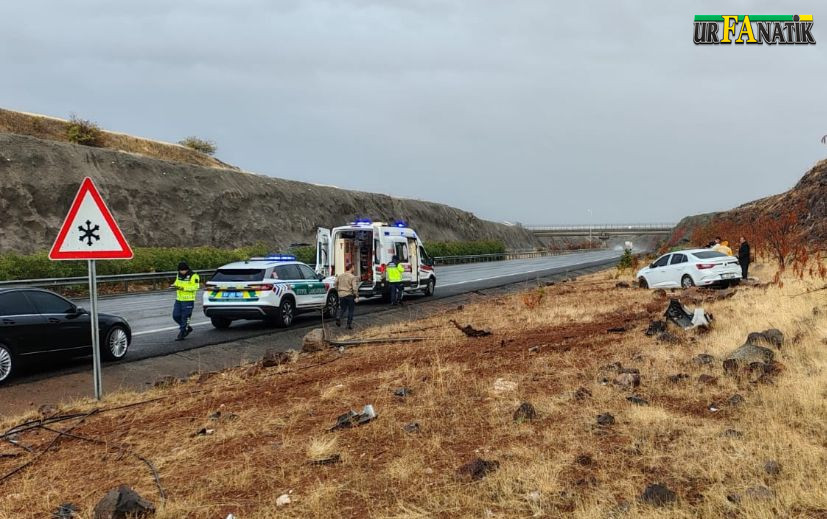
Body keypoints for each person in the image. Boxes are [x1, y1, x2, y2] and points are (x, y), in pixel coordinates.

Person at [171, 261, 200, 341]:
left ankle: (182, 332)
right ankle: (187, 328)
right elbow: (176, 283)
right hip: (179, 299)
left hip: (188, 300)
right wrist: (174, 286)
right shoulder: (178, 275)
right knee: (175, 316)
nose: (182, 272)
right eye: (180, 270)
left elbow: (196, 287)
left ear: (187, 269)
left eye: (183, 270)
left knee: (185, 317)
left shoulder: (194, 276)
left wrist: (184, 288)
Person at [335, 263, 359, 329]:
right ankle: (348, 325)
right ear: (351, 268)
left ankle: (338, 317)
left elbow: (335, 284)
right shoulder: (352, 277)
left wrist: (339, 290)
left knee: (343, 308)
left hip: (341, 295)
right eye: (353, 267)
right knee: (351, 310)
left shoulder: (340, 276)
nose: (354, 269)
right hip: (349, 295)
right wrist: (356, 296)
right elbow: (354, 288)